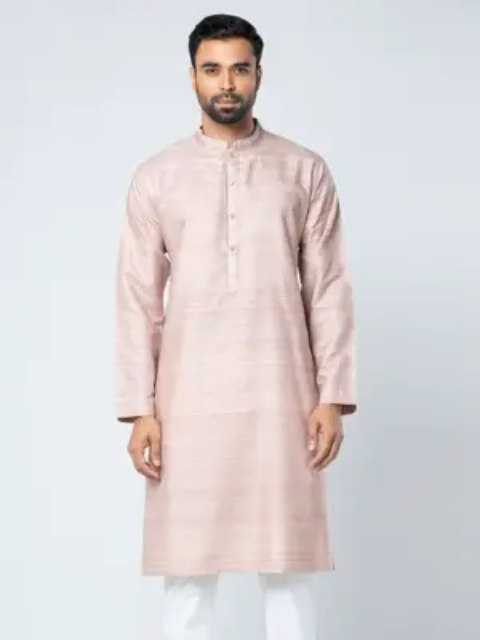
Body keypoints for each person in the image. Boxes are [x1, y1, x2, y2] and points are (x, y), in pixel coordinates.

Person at [114, 13, 357, 640]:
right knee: (187, 574)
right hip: (187, 401)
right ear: (192, 76)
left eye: (239, 69)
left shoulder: (304, 170)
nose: (227, 83)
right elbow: (138, 299)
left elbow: (328, 287)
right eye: (213, 69)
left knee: (289, 571)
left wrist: (331, 396)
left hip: (283, 396)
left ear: (258, 76)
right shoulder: (157, 176)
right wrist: (140, 409)